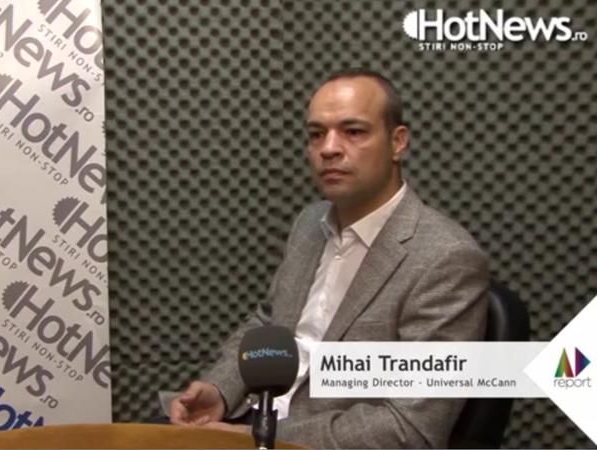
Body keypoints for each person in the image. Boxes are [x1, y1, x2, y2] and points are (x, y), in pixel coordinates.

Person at [162, 69, 490, 449]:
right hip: (252, 416)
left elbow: (408, 428)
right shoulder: (309, 223)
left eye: (353, 131)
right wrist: (221, 389)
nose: (328, 148)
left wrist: (256, 438)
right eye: (316, 134)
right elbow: (270, 323)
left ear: (398, 142)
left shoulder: (445, 258)